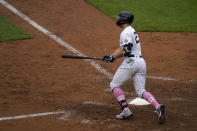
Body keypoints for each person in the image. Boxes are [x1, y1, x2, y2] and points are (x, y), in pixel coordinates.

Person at [103, 11, 165, 124]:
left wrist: (113, 58)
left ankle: (126, 110)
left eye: (119, 18)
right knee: (141, 90)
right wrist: (111, 56)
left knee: (114, 84)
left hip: (131, 62)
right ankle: (157, 106)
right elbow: (121, 48)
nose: (118, 20)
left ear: (123, 20)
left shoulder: (125, 32)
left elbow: (127, 49)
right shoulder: (131, 30)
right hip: (141, 62)